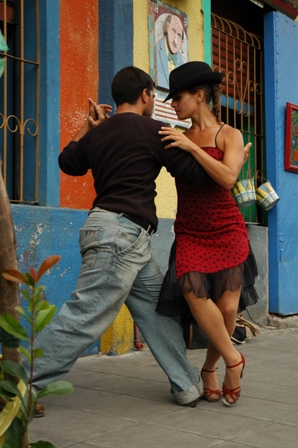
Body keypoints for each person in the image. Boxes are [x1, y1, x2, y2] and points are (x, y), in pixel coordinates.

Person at [22, 66, 221, 413]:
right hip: (121, 235)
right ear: (145, 95)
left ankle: (187, 385)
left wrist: (88, 125)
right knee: (86, 316)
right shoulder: (153, 130)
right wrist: (204, 148)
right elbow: (194, 174)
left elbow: (68, 162)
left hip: (118, 234)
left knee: (157, 314)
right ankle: (18, 383)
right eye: (154, 96)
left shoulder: (99, 133)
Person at [156, 61, 258, 407]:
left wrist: (193, 149)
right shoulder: (174, 137)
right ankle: (234, 359)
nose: (173, 104)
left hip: (227, 229)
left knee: (229, 308)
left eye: (178, 97)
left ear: (199, 96)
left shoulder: (229, 134)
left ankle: (209, 368)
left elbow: (228, 179)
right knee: (192, 291)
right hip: (190, 232)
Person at [155, 14, 185, 89]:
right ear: (167, 27)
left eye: (179, 36)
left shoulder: (182, 62)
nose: (175, 41)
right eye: (173, 32)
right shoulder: (156, 50)